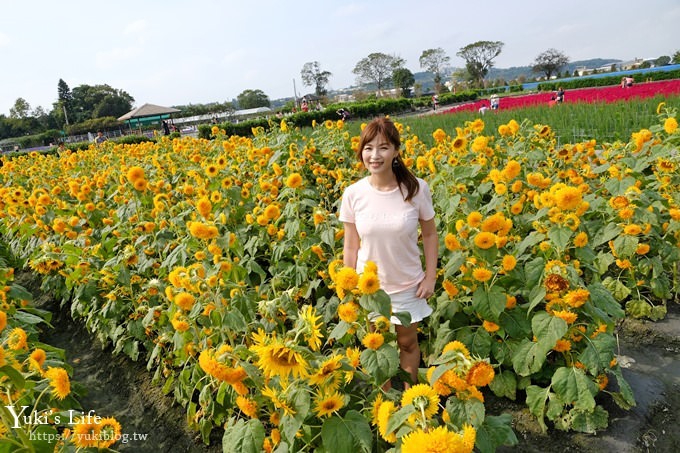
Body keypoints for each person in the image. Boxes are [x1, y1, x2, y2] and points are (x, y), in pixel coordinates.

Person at [339, 117, 438, 389]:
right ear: (361, 152)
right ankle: (384, 406)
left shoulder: (416, 189)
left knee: (407, 344)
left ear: (396, 150)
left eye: (383, 147)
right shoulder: (353, 194)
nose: (374, 155)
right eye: (368, 148)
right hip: (370, 290)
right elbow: (350, 244)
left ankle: (410, 402)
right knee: (378, 350)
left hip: (407, 284)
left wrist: (431, 277)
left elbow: (429, 235)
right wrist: (348, 287)